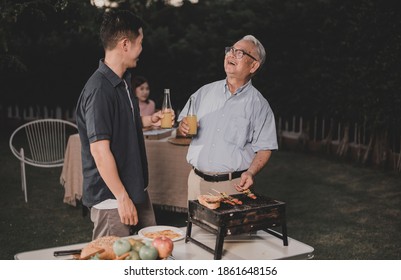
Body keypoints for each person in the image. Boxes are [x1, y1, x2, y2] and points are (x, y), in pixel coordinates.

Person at [76, 10, 174, 239]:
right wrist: (121, 197)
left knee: (151, 255)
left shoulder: (122, 82)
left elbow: (119, 124)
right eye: (140, 43)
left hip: (135, 189)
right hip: (112, 198)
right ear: (125, 44)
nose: (141, 49)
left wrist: (148, 120)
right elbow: (100, 151)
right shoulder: (99, 90)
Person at [178, 35, 278, 200]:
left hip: (232, 186)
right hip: (196, 182)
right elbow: (182, 128)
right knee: (195, 227)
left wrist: (251, 172)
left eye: (240, 53)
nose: (231, 55)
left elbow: (265, 147)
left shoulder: (260, 105)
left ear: (253, 66)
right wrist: (182, 127)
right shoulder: (204, 92)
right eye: (230, 50)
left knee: (231, 227)